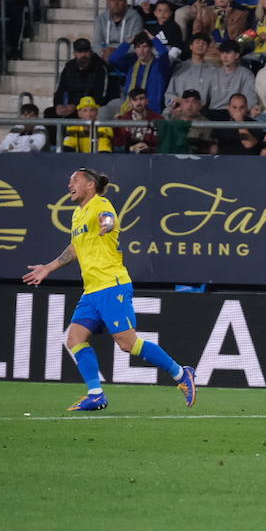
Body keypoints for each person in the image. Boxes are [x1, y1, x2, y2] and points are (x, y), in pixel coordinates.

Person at [21, 169, 198, 412]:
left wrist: (107, 224)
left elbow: (108, 218)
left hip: (111, 284)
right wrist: (48, 268)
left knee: (127, 343)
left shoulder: (100, 204)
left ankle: (181, 373)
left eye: (75, 180)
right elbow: (74, 248)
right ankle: (95, 395)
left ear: (90, 185)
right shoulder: (77, 214)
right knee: (74, 339)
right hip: (91, 290)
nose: (69, 184)